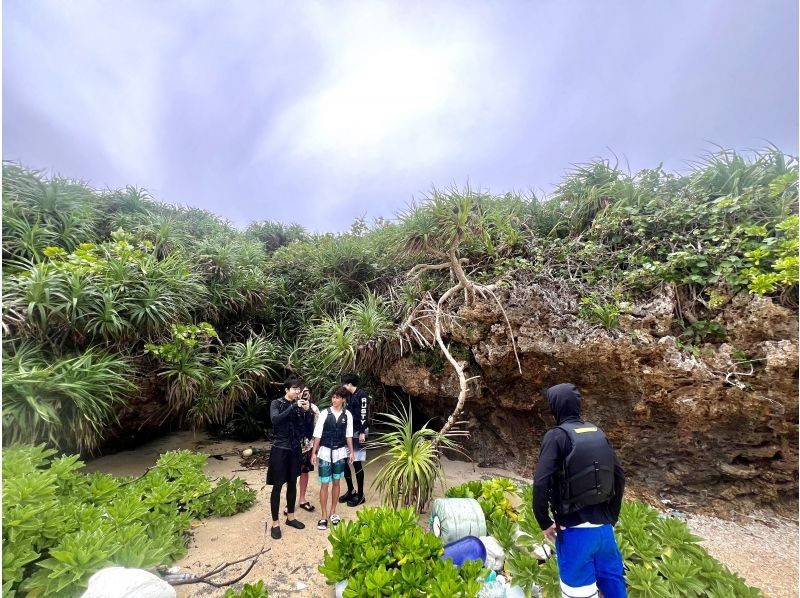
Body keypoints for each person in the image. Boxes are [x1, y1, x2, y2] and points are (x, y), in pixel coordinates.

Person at [533, 383, 626, 598]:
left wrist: (544, 521)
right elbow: (619, 476)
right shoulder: (598, 432)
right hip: (604, 533)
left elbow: (541, 482)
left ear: (556, 407)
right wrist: (611, 515)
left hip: (575, 534)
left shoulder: (556, 436)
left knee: (579, 594)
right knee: (615, 590)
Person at [268, 376, 308, 539]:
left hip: (294, 449)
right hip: (280, 449)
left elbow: (305, 429)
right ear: (286, 390)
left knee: (293, 483)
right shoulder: (276, 403)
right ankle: (275, 523)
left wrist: (306, 412)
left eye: (299, 389)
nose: (297, 391)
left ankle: (290, 517)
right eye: (294, 389)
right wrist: (293, 408)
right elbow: (275, 420)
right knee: (277, 486)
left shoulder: (298, 406)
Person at [311, 386, 354, 530]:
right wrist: (313, 453)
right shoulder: (324, 413)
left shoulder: (347, 415)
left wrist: (352, 452)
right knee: (324, 484)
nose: (334, 400)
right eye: (333, 397)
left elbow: (348, 435)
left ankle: (333, 512)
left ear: (343, 399)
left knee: (337, 482)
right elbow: (317, 434)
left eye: (337, 397)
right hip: (324, 452)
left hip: (340, 452)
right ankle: (323, 515)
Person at [339, 373, 369, 507]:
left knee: (357, 463)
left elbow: (364, 413)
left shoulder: (362, 395)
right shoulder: (349, 396)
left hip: (359, 431)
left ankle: (361, 494)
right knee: (344, 461)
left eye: (344, 384)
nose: (343, 387)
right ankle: (351, 489)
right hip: (349, 431)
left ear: (350, 384)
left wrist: (362, 431)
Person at [292, 385, 319, 514]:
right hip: (292, 446)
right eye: (302, 392)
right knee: (290, 473)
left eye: (307, 392)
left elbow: (317, 430)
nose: (304, 394)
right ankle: (289, 502)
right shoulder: (291, 406)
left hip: (307, 446)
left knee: (304, 472)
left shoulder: (314, 409)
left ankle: (302, 499)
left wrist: (314, 449)